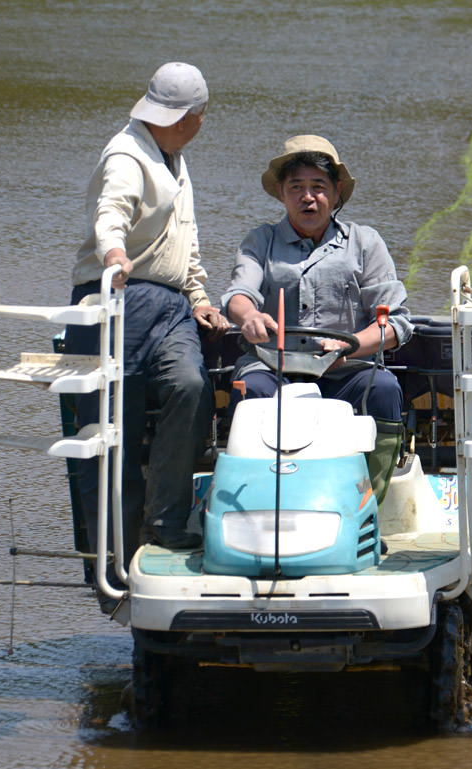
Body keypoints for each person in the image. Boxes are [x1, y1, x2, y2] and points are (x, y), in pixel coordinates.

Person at [66, 62, 229, 559]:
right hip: (120, 296)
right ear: (192, 117)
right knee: (115, 426)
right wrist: (114, 254)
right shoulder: (126, 153)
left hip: (171, 304)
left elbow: (185, 243)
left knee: (191, 387)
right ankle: (114, 547)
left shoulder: (173, 156)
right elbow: (110, 213)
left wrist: (199, 297)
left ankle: (165, 523)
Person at [221, 135, 412, 503]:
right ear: (281, 193)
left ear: (337, 192)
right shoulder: (260, 241)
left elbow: (396, 323)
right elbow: (237, 295)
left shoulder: (365, 243)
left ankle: (366, 505)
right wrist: (248, 317)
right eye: (297, 187)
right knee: (254, 393)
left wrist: (350, 346)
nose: (308, 197)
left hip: (346, 372)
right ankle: (257, 504)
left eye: (318, 187)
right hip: (271, 368)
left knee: (385, 390)